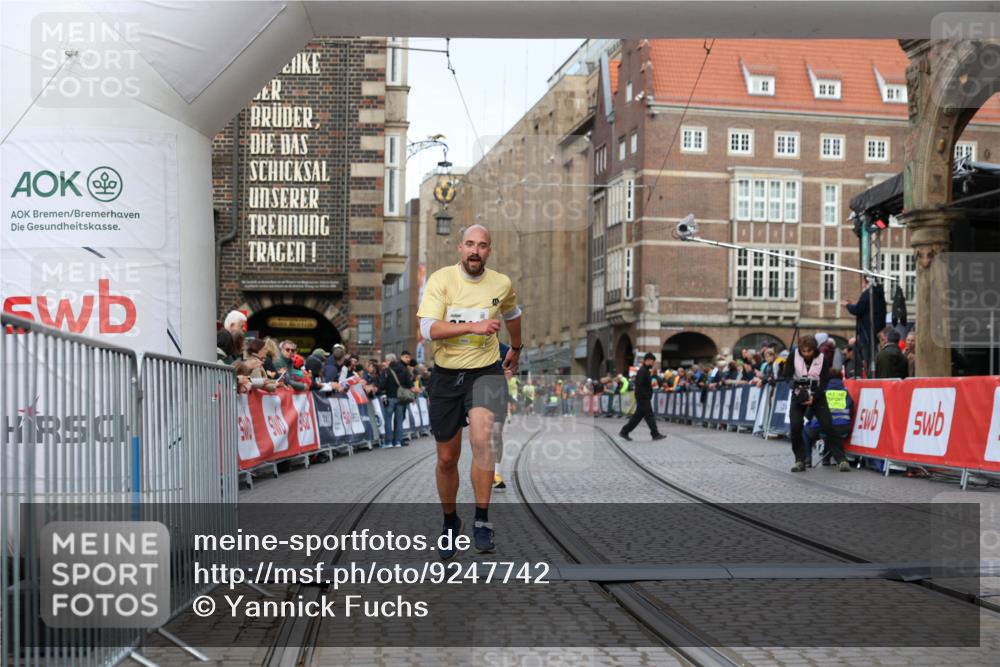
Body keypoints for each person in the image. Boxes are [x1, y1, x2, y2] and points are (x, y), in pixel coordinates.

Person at [416, 224, 522, 558]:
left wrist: (517, 346)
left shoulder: (501, 283)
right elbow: (428, 329)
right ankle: (451, 522)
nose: (476, 251)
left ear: (489, 251)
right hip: (447, 375)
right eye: (470, 245)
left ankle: (482, 520)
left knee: (482, 440)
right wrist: (473, 326)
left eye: (483, 246)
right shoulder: (441, 280)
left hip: (486, 372)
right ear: (460, 248)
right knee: (447, 458)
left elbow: (514, 314)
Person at [782, 334, 849, 473]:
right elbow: (787, 375)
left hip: (817, 394)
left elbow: (824, 380)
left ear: (814, 350)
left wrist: (815, 396)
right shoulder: (793, 355)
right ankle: (800, 459)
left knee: (827, 424)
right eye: (803, 351)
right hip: (798, 394)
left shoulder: (823, 358)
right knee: (795, 426)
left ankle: (841, 458)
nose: (806, 354)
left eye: (809, 351)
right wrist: (794, 385)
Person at [803, 366, 854, 467]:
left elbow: (809, 413)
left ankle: (807, 459)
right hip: (844, 429)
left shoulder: (821, 391)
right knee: (830, 431)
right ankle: (826, 459)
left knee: (805, 431)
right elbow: (851, 411)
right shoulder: (846, 392)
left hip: (824, 427)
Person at [618, 352, 667, 442]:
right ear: (648, 360)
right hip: (643, 398)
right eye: (652, 362)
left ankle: (624, 431)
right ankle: (655, 434)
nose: (653, 364)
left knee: (637, 417)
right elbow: (639, 386)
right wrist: (644, 397)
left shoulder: (645, 371)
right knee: (649, 416)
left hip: (643, 397)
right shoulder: (642, 371)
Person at [842, 277, 886, 377]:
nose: (862, 285)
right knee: (870, 355)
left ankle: (867, 375)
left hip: (867, 332)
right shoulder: (878, 294)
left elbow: (858, 310)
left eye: (863, 283)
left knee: (868, 358)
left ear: (867, 283)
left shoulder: (868, 294)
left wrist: (848, 306)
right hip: (874, 330)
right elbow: (864, 308)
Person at [381, 352, 413, 448]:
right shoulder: (404, 369)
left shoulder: (386, 371)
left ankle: (388, 442)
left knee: (388, 420)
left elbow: (382, 384)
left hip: (390, 397)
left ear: (389, 361)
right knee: (399, 420)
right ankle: (398, 441)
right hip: (401, 398)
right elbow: (409, 384)